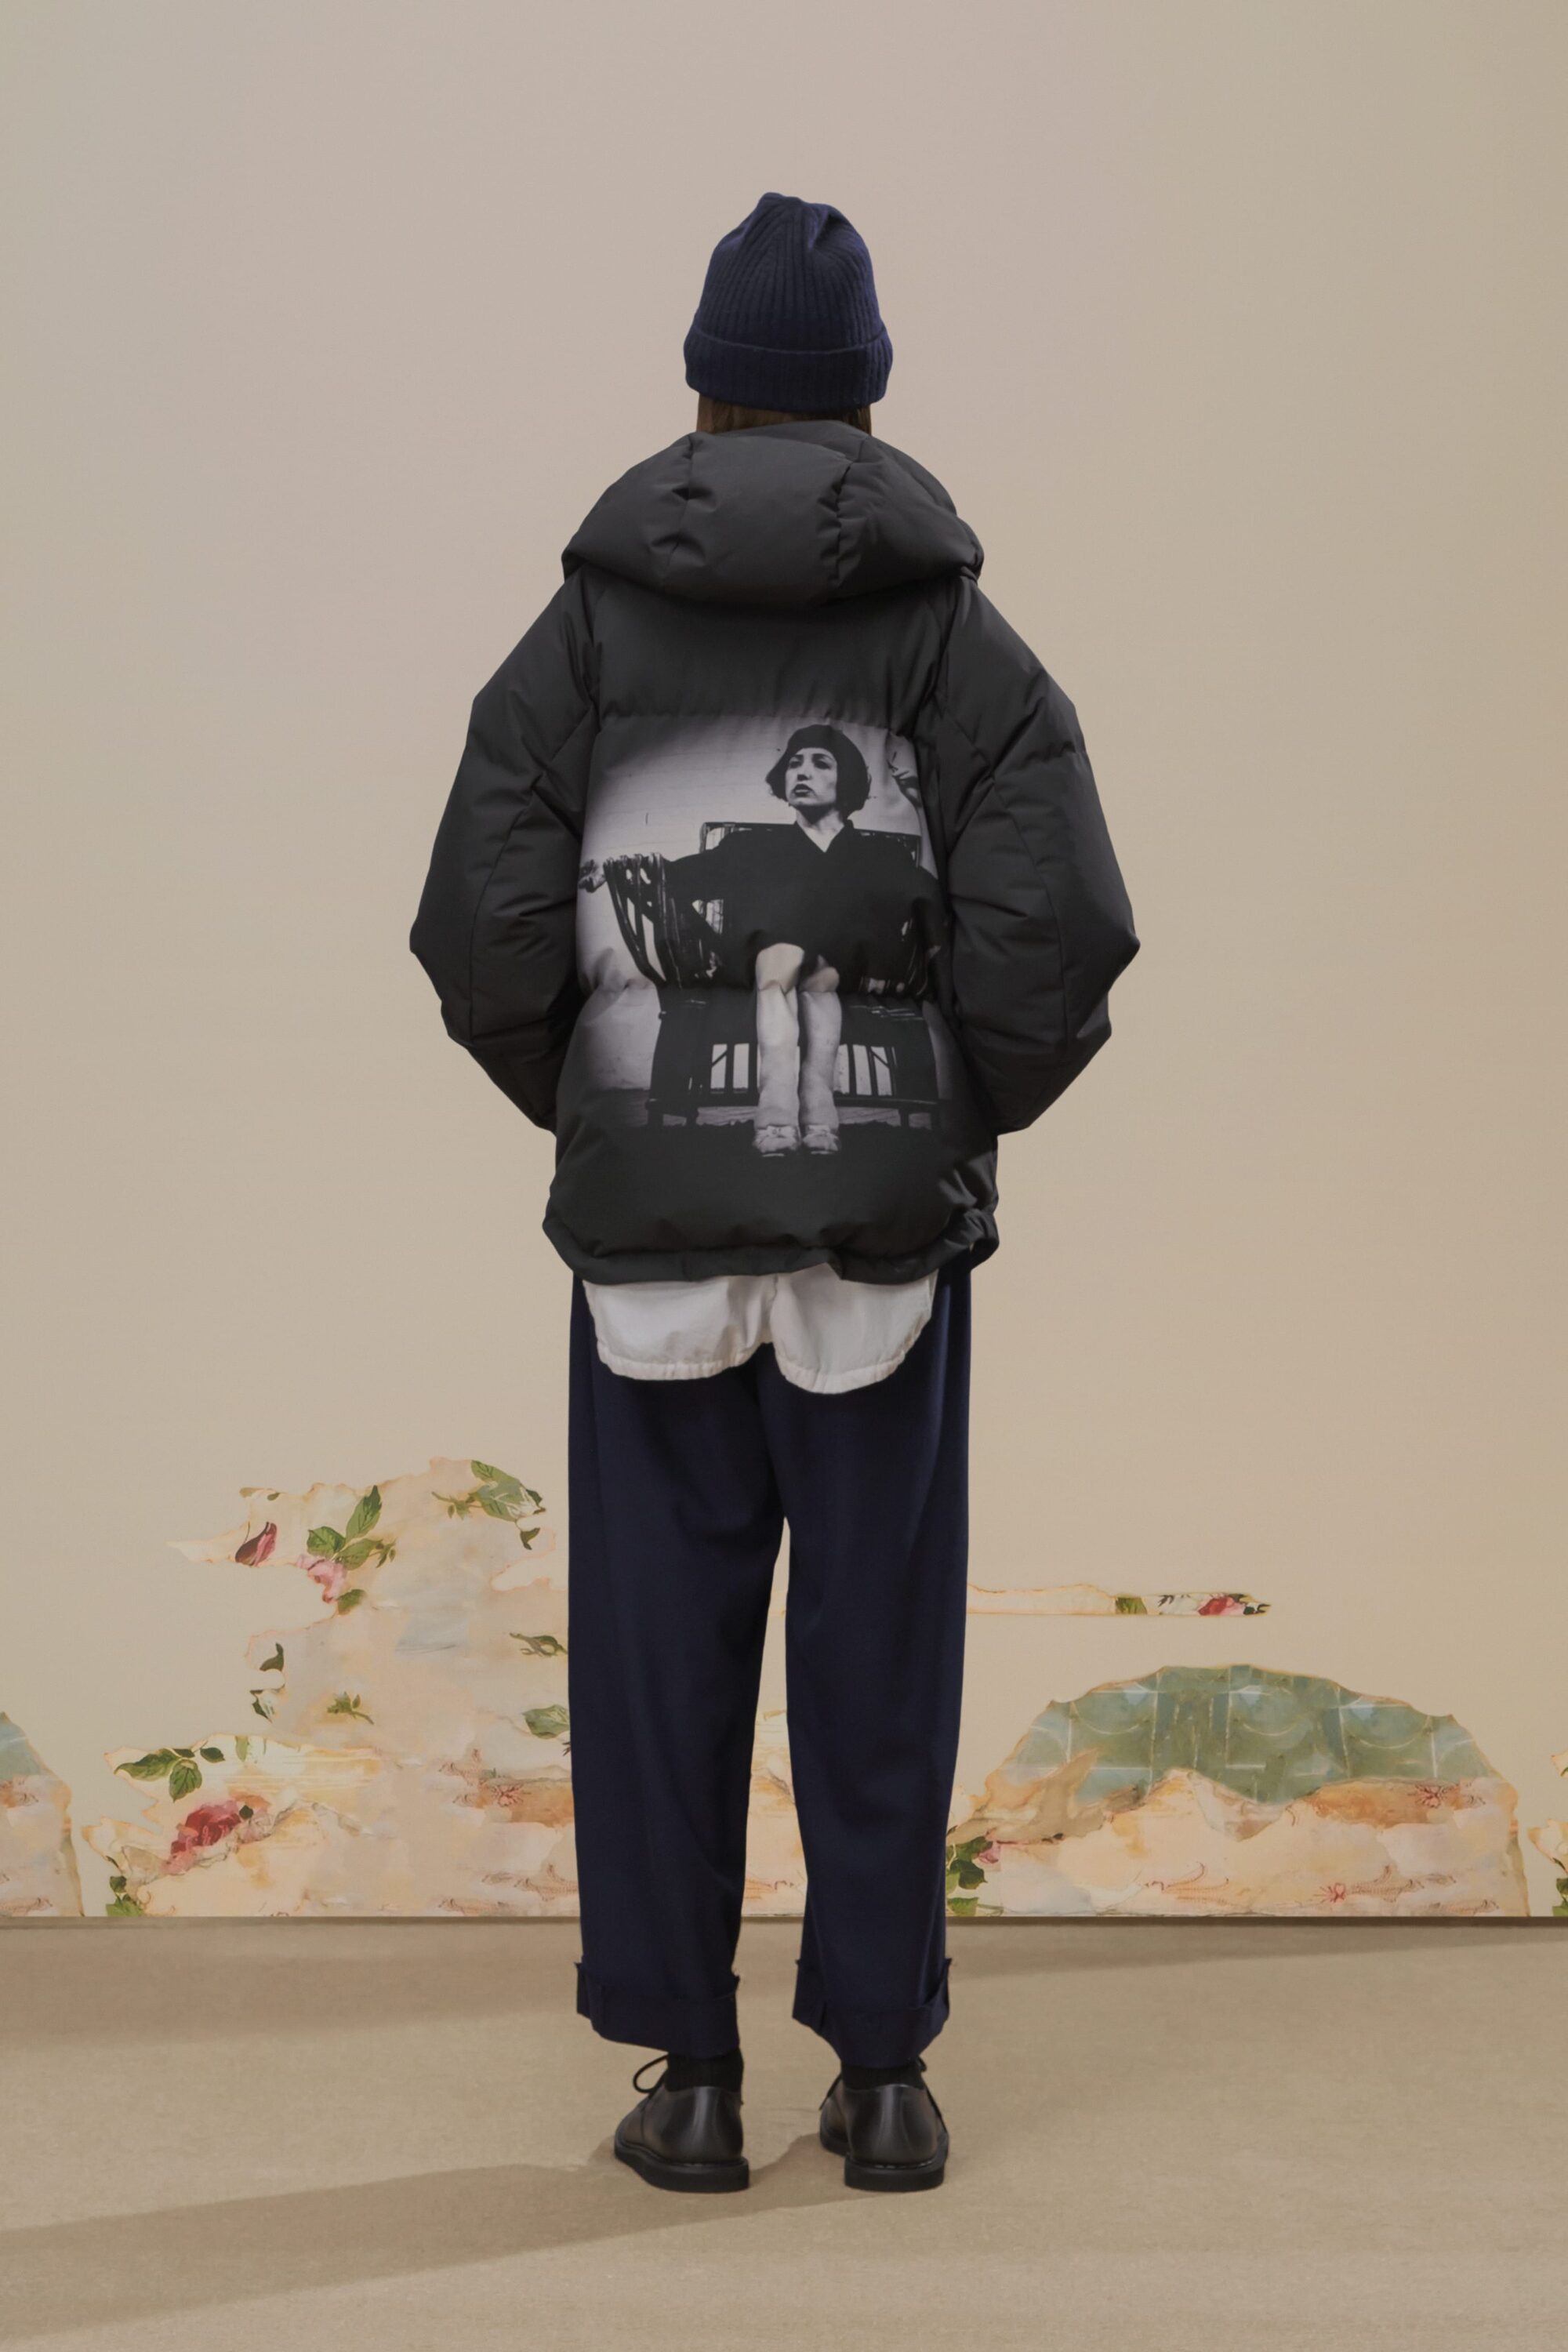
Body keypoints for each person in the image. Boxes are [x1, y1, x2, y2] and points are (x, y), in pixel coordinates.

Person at [412, 191, 1138, 2193]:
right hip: (877, 1246)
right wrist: (944, 1116)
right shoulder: (952, 632)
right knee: (876, 1640)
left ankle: (691, 2077)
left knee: (660, 1649)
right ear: (866, 391)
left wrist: (601, 1108)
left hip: (648, 1240)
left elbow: (480, 926)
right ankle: (883, 2078)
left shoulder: (581, 626)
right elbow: (1054, 931)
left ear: (703, 387)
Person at [580, 721, 945, 1156]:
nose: (802, 772)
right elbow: (676, 879)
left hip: (845, 971)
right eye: (794, 763)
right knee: (783, 959)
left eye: (820, 763)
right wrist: (613, 872)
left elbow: (931, 900)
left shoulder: (880, 855)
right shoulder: (751, 846)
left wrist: (922, 806)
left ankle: (785, 1113)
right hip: (764, 971)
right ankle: (800, 1108)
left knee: (816, 972)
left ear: (845, 779)